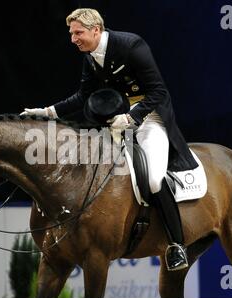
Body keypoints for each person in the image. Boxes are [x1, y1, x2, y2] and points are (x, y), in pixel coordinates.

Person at [21, 8, 198, 271]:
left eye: (78, 33)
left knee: (152, 177)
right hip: (118, 122)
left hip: (150, 118)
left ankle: (176, 245)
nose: (73, 39)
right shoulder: (91, 57)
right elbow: (82, 96)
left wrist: (131, 117)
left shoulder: (131, 46)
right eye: (71, 34)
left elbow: (158, 91)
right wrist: (47, 112)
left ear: (96, 30)